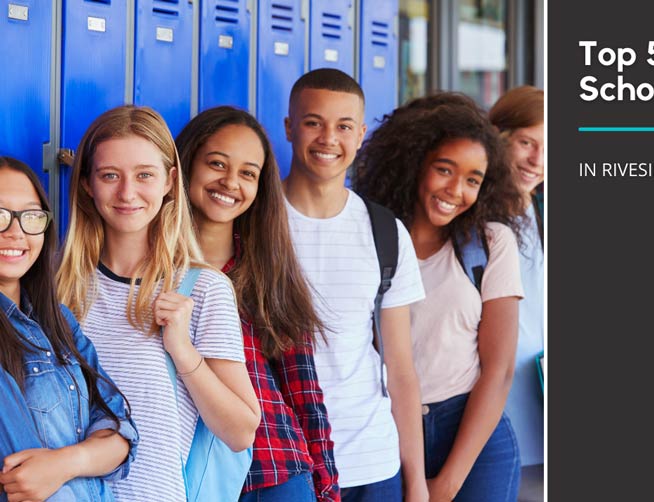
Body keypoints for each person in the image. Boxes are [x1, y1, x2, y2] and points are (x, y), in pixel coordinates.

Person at [56, 106, 261, 502]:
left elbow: (240, 432)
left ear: (169, 182)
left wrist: (182, 351)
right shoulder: (59, 287)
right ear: (86, 184)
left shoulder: (203, 289)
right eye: (110, 175)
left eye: (144, 175)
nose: (127, 193)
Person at [355, 92, 525, 502]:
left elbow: (498, 370)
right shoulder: (368, 236)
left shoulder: (488, 244)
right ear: (414, 164)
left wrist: (449, 482)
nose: (456, 190)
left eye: (472, 179)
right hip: (386, 430)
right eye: (444, 170)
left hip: (470, 436)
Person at [176, 106, 339, 502]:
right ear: (185, 166)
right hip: (185, 475)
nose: (230, 182)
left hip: (273, 471)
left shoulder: (267, 271)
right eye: (216, 164)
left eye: (248, 173)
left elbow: (303, 390)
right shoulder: (151, 271)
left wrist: (328, 487)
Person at [281, 68, 428, 502]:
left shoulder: (385, 230)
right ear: (290, 127)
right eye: (313, 123)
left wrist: (415, 481)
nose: (329, 138)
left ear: (361, 133)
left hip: (373, 463)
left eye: (343, 126)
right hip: (287, 465)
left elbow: (400, 370)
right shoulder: (255, 223)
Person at [0, 157, 137, 502]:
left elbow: (121, 429)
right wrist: (90, 456)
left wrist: (64, 463)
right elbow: (22, 477)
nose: (15, 232)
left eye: (31, 216)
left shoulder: (58, 322)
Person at [489, 85, 545, 489]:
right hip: (497, 404)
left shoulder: (536, 208)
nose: (537, 160)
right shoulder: (476, 215)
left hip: (540, 391)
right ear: (498, 137)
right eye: (527, 142)